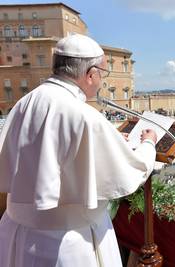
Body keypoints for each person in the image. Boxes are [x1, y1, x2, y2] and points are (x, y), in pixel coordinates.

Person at [0, 34, 157, 267]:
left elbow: (45, 151)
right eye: (102, 74)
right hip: (68, 245)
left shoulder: (26, 102)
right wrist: (149, 143)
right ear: (90, 74)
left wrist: (109, 140)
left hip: (17, 234)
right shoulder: (84, 115)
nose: (101, 81)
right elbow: (133, 170)